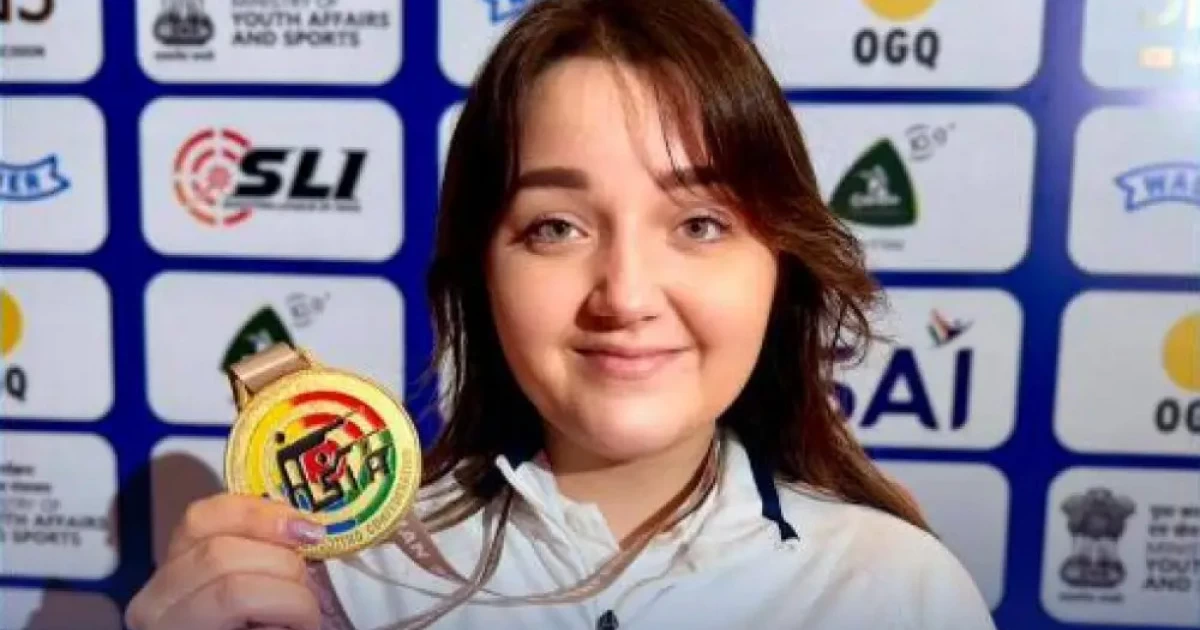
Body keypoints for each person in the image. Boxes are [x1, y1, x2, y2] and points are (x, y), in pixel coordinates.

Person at [125, 0, 998, 628]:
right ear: (481, 272)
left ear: (780, 266)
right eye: (555, 228)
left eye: (699, 224)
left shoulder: (900, 594)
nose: (625, 294)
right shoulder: (340, 586)